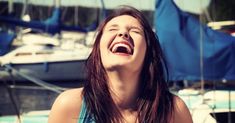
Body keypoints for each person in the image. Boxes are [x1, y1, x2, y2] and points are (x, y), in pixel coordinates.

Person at [48, 6, 193, 123]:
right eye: (113, 29)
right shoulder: (69, 106)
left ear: (148, 52)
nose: (123, 33)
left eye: (135, 31)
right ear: (98, 50)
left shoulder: (174, 111)